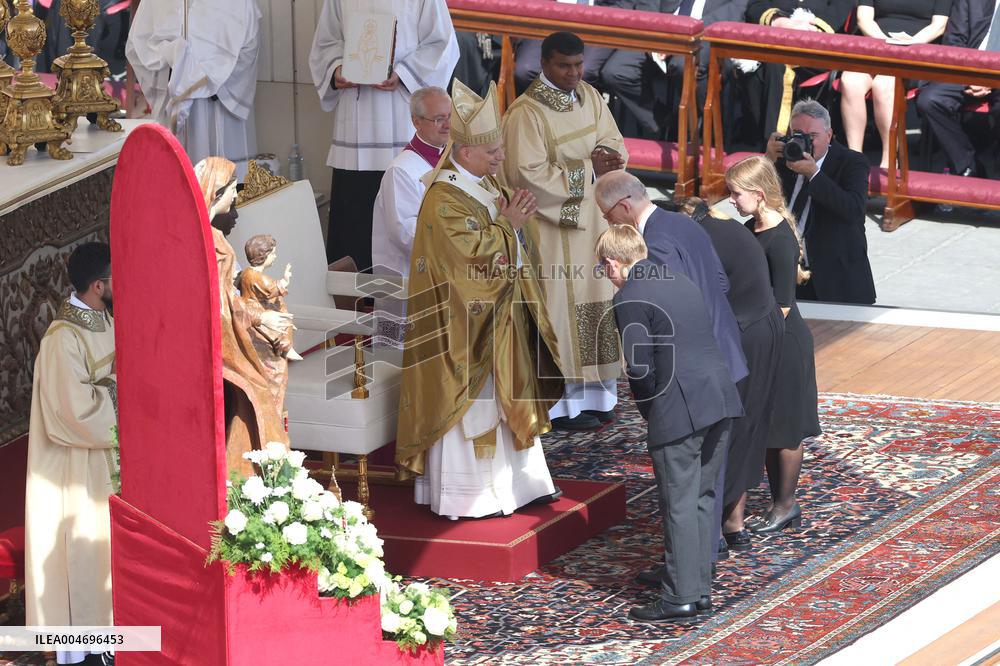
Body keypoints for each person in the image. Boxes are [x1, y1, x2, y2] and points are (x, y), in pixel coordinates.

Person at [396, 80, 565, 520]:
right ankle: (470, 493)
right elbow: (465, 262)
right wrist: (508, 225)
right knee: (482, 404)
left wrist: (515, 221)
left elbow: (506, 235)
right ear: (465, 152)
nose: (500, 158)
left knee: (513, 392)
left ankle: (522, 484)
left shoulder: (485, 182)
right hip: (464, 327)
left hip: (501, 317)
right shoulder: (442, 199)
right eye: (492, 151)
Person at [598, 224, 742, 623]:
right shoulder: (679, 280)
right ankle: (698, 590)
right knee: (702, 497)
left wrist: (652, 413)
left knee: (678, 502)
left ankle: (679, 597)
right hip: (721, 396)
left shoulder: (629, 295)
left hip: (680, 408)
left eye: (602, 269)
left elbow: (640, 369)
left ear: (612, 263)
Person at [501, 31, 629, 432]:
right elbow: (528, 177)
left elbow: (613, 141)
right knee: (561, 311)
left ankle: (600, 397)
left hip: (594, 224)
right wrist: (590, 170)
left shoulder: (589, 96)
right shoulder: (527, 114)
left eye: (578, 65)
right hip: (552, 234)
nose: (574, 73)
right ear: (544, 64)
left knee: (597, 306)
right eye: (564, 66)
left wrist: (610, 159)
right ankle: (561, 407)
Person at [309, 0, 459, 269]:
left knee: (400, 217)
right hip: (354, 130)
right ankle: (349, 303)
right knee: (353, 221)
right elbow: (326, 41)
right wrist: (336, 71)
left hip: (400, 117)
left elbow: (443, 44)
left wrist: (402, 75)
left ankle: (399, 302)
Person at [671, 197, 783, 550]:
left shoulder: (702, 239)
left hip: (743, 337)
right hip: (761, 330)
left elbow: (706, 293)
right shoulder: (721, 227)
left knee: (725, 432)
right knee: (748, 428)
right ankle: (734, 524)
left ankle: (715, 531)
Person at [25, 242, 117, 666]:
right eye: (116, 278)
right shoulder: (62, 339)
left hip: (109, 461)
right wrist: (125, 391)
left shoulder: (105, 318)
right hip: (76, 469)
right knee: (84, 557)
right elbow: (73, 412)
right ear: (98, 285)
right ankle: (82, 655)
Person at [726, 155, 821, 534]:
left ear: (758, 193)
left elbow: (781, 306)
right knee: (766, 425)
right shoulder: (752, 228)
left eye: (735, 193)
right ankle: (777, 501)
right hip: (764, 336)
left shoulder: (780, 239)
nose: (730, 200)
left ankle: (785, 504)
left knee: (785, 426)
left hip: (782, 342)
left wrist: (749, 341)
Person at [595, 171, 748, 385]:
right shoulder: (685, 222)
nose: (610, 222)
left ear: (624, 206)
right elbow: (722, 282)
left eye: (607, 215)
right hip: (726, 350)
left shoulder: (652, 244)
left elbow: (672, 312)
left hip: (696, 368)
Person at [195, 157, 292, 479]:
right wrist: (260, 320)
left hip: (235, 331)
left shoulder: (215, 238)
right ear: (216, 192)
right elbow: (217, 301)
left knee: (257, 397)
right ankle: (251, 475)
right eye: (232, 191)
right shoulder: (205, 240)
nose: (236, 197)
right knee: (257, 394)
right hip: (221, 340)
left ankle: (250, 474)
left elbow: (230, 296)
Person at [126, 0, 262, 176]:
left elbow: (249, 47)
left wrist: (206, 77)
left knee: (226, 191)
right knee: (178, 186)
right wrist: (173, 60)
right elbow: (137, 46)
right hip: (173, 104)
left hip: (219, 110)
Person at [765, 99, 877, 304]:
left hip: (837, 282)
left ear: (829, 135)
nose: (804, 142)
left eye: (812, 136)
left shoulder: (852, 162)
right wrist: (768, 159)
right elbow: (756, 200)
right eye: (797, 134)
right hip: (789, 278)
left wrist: (814, 174)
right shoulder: (783, 158)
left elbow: (853, 210)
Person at [371, 86, 452, 347]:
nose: (447, 125)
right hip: (407, 282)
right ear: (416, 121)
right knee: (399, 364)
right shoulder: (402, 170)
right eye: (439, 119)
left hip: (441, 276)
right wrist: (460, 241)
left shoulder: (452, 161)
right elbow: (406, 233)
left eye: (451, 117)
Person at [840, 0, 951, 167]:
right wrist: (885, 43)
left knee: (883, 85)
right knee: (849, 81)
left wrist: (908, 44)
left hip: (916, 52)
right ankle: (855, 159)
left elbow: (939, 26)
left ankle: (890, 160)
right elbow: (864, 18)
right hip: (876, 47)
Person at [741, 0, 855, 145]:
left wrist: (805, 28)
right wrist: (779, 21)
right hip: (774, 41)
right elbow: (756, 5)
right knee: (759, 68)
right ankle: (768, 140)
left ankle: (776, 142)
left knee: (777, 63)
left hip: (818, 48)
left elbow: (838, 13)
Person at [916, 0, 1000, 177]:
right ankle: (967, 165)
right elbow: (954, 41)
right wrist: (973, 77)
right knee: (930, 100)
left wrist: (992, 81)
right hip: (969, 70)